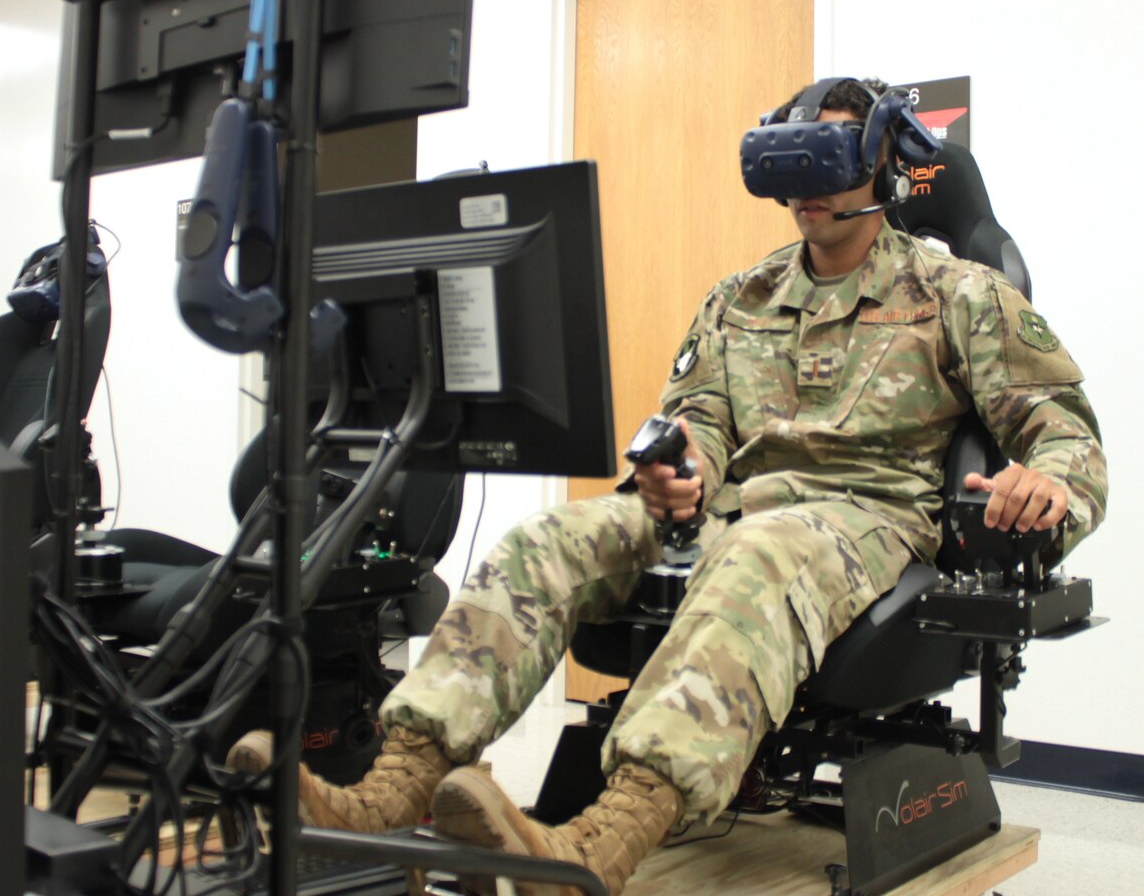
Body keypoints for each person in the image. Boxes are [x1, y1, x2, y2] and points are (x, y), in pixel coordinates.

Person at [228, 77, 1107, 895]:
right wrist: (680, 469)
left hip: (862, 521)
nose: (809, 183)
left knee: (763, 550)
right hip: (728, 513)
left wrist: (1048, 487)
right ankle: (391, 787)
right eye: (795, 158)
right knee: (552, 538)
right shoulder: (741, 298)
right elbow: (703, 420)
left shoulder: (957, 294)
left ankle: (602, 843)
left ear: (883, 167)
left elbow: (1065, 433)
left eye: (833, 157)